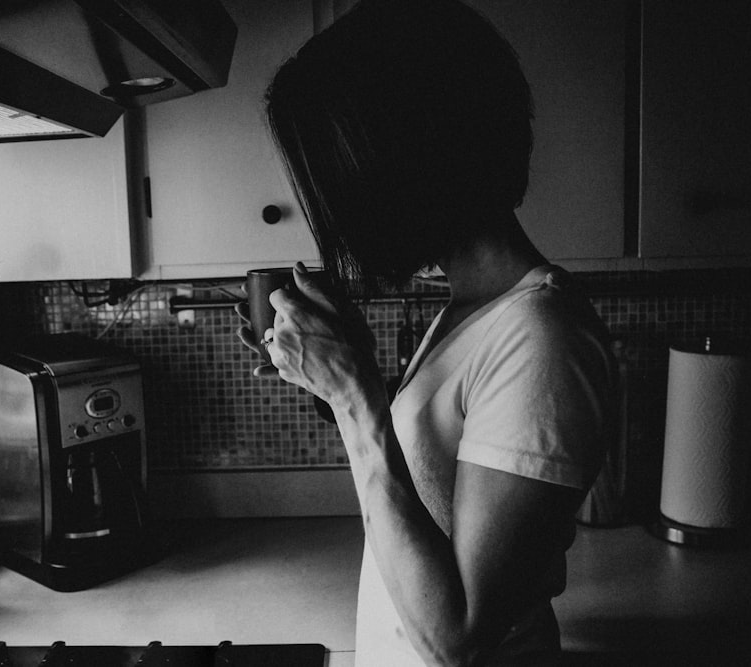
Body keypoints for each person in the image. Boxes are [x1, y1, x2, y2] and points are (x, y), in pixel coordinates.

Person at [235, 1, 617, 664]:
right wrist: (335, 373)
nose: (336, 220)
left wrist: (356, 399)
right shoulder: (473, 308)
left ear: (398, 165)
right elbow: (430, 490)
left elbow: (462, 637)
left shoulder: (541, 338)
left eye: (333, 185)